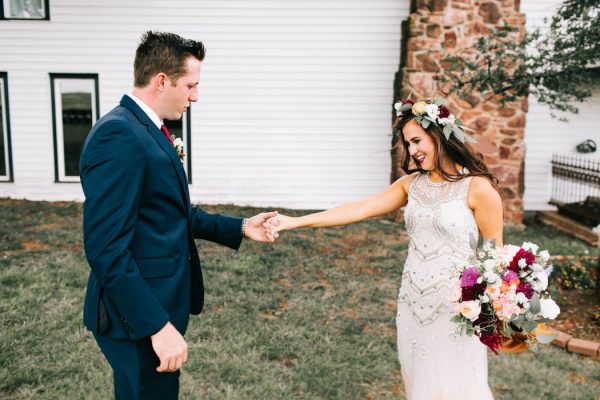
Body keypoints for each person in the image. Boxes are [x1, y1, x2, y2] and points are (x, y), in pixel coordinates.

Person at [79, 31, 277, 400]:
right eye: (191, 85)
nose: (196, 96)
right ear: (161, 81)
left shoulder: (145, 129)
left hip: (153, 307)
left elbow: (169, 213)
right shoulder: (119, 136)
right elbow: (106, 248)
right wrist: (156, 326)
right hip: (134, 319)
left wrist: (239, 227)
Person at [267, 97, 503, 399]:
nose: (413, 151)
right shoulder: (410, 185)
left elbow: (496, 257)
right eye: (408, 144)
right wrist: (293, 222)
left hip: (455, 308)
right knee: (418, 384)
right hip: (412, 302)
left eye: (417, 140)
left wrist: (497, 308)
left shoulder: (478, 189)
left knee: (455, 386)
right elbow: (359, 209)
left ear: (440, 135)